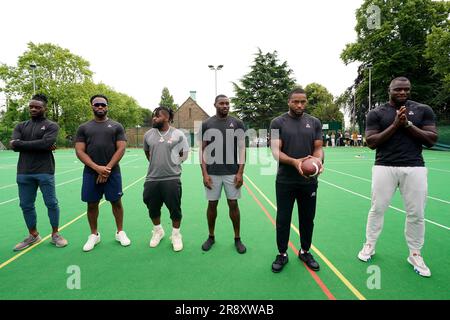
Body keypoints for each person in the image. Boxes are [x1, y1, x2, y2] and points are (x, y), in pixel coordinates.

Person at [357, 77, 438, 277]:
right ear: (389, 90)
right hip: (384, 166)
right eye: (398, 89)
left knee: (416, 213)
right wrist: (395, 125)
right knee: (377, 209)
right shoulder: (377, 113)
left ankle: (415, 253)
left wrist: (408, 125)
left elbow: (431, 140)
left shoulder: (423, 110)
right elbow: (371, 142)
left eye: (406, 89)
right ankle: (370, 244)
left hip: (415, 167)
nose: (402, 93)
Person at [269, 87, 324, 273]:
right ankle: (282, 254)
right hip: (285, 180)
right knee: (283, 219)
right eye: (296, 101)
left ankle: (305, 251)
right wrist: (295, 162)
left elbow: (318, 148)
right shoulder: (277, 122)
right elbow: (276, 151)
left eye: (303, 101)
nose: (300, 105)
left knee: (308, 219)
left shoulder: (314, 122)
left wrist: (318, 160)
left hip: (309, 182)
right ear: (289, 102)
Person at [10, 93, 68, 250]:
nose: (33, 109)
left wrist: (22, 143)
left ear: (45, 108)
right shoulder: (20, 126)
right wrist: (40, 144)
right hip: (24, 172)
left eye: (37, 107)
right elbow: (13, 146)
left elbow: (46, 143)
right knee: (26, 205)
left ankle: (55, 234)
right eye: (31, 107)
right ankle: (33, 235)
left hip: (45, 170)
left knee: (51, 203)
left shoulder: (51, 126)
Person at [75, 94, 131, 252]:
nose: (100, 107)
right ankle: (94, 235)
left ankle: (120, 232)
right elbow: (79, 151)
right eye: (96, 104)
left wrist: (106, 169)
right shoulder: (84, 127)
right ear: (92, 106)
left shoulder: (116, 126)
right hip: (90, 173)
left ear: (107, 106)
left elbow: (121, 148)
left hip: (113, 172)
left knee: (116, 202)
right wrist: (96, 168)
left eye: (103, 104)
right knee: (92, 204)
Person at [200, 94, 247, 254]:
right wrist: (204, 174)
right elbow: (203, 150)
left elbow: (242, 149)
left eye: (227, 103)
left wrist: (240, 172)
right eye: (222, 103)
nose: (225, 106)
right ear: (215, 105)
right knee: (212, 205)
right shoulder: (207, 124)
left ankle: (237, 238)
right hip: (212, 173)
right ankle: (211, 236)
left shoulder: (237, 123)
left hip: (232, 172)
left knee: (233, 204)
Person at [143, 106, 190, 252]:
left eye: (157, 116)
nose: (154, 118)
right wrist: (156, 163)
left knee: (175, 209)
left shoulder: (178, 134)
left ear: (167, 118)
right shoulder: (148, 135)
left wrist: (174, 163)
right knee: (152, 208)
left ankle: (176, 234)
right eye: (153, 116)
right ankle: (158, 231)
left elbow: (185, 153)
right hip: (152, 178)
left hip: (172, 177)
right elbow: (147, 153)